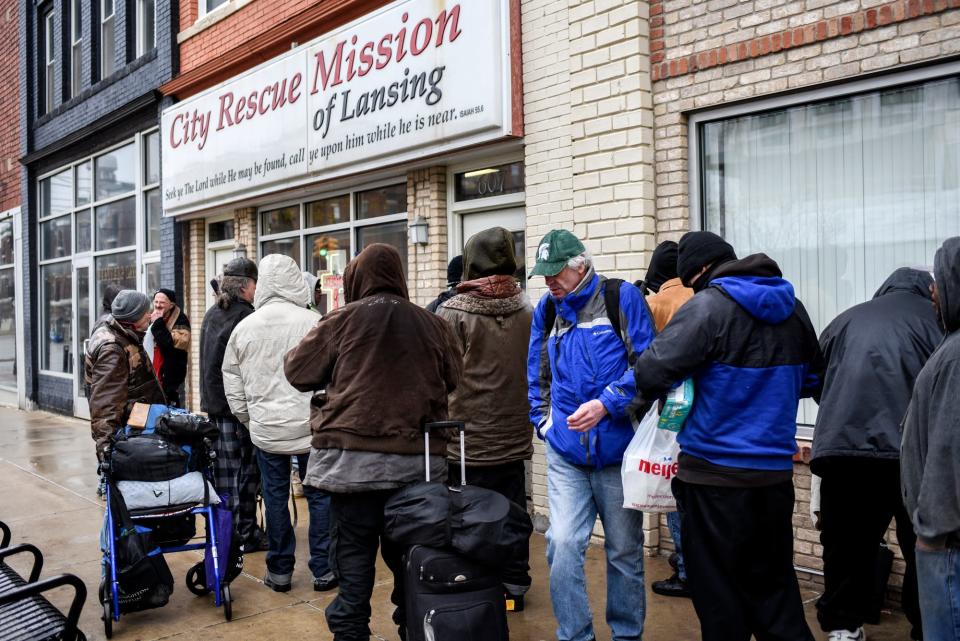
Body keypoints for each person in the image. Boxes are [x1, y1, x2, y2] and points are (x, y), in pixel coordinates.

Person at [631, 231, 822, 641]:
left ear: (699, 272)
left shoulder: (707, 308)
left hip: (712, 480)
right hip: (772, 478)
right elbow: (813, 378)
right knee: (775, 594)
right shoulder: (794, 308)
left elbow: (650, 372)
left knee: (720, 601)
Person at [284, 244, 462, 640]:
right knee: (411, 562)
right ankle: (412, 629)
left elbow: (297, 370)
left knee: (352, 557)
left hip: (353, 468)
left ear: (356, 279)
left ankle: (352, 632)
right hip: (417, 468)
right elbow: (454, 376)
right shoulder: (431, 322)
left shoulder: (342, 320)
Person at [527, 229, 656, 641]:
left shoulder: (621, 298)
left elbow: (649, 368)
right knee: (562, 544)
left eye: (555, 272)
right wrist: (545, 424)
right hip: (567, 455)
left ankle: (626, 635)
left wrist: (607, 403)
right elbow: (536, 377)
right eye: (543, 274)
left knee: (623, 553)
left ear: (580, 266)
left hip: (618, 453)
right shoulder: (547, 311)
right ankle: (575, 635)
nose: (549, 282)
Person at [811, 267, 940, 641]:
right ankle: (927, 627)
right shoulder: (935, 321)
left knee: (845, 546)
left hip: (844, 452)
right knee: (923, 545)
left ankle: (843, 628)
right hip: (912, 454)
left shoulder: (846, 319)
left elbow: (819, 380)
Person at [222, 255, 335, 593]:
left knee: (273, 496)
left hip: (266, 431)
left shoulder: (245, 327)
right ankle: (324, 568)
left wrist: (250, 418)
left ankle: (281, 570)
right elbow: (333, 376)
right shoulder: (314, 322)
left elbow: (232, 381)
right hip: (311, 429)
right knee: (318, 496)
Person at [437, 227, 533, 610]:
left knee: (469, 515)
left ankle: (476, 587)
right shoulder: (528, 307)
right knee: (513, 509)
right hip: (514, 434)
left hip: (466, 439)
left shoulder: (452, 312)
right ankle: (515, 583)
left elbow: (441, 375)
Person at [901, 237, 960, 641]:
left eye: (939, 279)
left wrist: (932, 532)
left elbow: (949, 450)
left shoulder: (956, 358)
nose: (932, 290)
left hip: (947, 546)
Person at [199, 257, 266, 553]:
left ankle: (229, 532)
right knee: (245, 477)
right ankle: (244, 534)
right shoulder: (245, 316)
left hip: (215, 408)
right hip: (236, 411)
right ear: (247, 285)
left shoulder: (213, 313)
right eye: (255, 284)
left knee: (226, 477)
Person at [641, 240, 694, 599]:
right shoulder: (704, 296)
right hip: (705, 408)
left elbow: (644, 358)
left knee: (673, 488)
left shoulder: (654, 303)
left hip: (672, 410)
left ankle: (686, 570)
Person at [85, 290, 166, 460]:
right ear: (134, 317)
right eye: (146, 312)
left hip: (136, 429)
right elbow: (105, 405)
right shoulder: (113, 349)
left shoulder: (124, 334)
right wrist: (107, 453)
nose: (150, 315)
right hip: (128, 437)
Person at [144, 288, 191, 407]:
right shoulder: (150, 316)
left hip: (169, 376)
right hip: (152, 371)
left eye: (162, 303)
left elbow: (169, 345)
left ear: (171, 305)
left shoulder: (181, 320)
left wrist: (158, 323)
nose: (158, 306)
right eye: (156, 302)